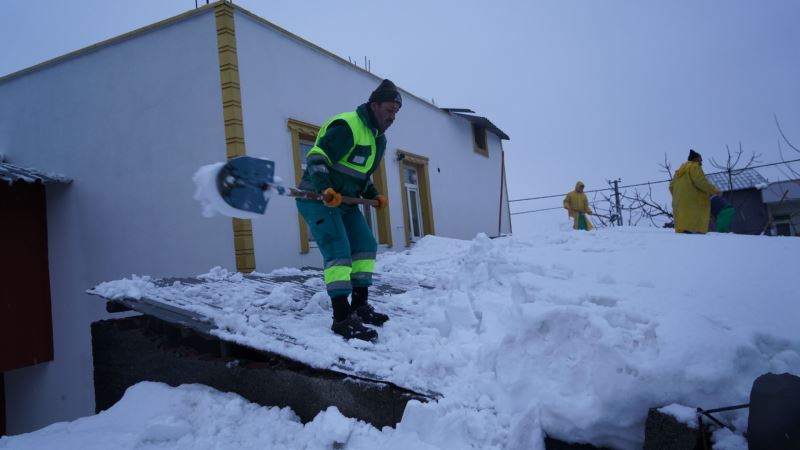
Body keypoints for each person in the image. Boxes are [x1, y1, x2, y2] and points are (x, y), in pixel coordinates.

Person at [295, 79, 401, 341]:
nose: (392, 117)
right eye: (389, 110)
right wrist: (324, 189)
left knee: (365, 244)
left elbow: (359, 175)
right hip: (318, 196)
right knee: (339, 249)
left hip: (345, 200)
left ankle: (359, 306)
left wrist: (374, 195)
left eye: (396, 112)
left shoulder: (380, 140)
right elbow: (317, 158)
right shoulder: (348, 126)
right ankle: (342, 318)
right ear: (374, 105)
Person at [669, 149, 720, 234]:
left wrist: (678, 197)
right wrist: (715, 190)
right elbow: (701, 182)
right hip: (692, 204)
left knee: (684, 233)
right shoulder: (695, 167)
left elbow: (671, 186)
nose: (701, 163)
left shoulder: (678, 172)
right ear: (695, 159)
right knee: (693, 233)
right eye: (700, 160)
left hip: (678, 204)